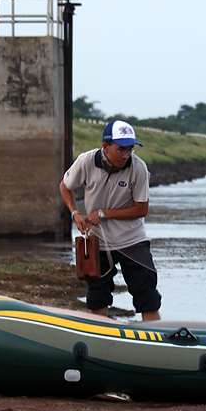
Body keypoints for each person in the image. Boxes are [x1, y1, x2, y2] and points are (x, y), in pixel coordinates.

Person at [59, 120, 162, 321]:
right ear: (105, 147)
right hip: (97, 240)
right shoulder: (86, 161)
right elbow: (65, 186)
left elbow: (142, 209)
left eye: (130, 149)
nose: (126, 155)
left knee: (146, 294)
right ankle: (99, 336)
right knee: (98, 295)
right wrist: (75, 214)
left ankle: (154, 338)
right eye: (121, 149)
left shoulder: (138, 168)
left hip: (132, 240)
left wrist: (104, 213)